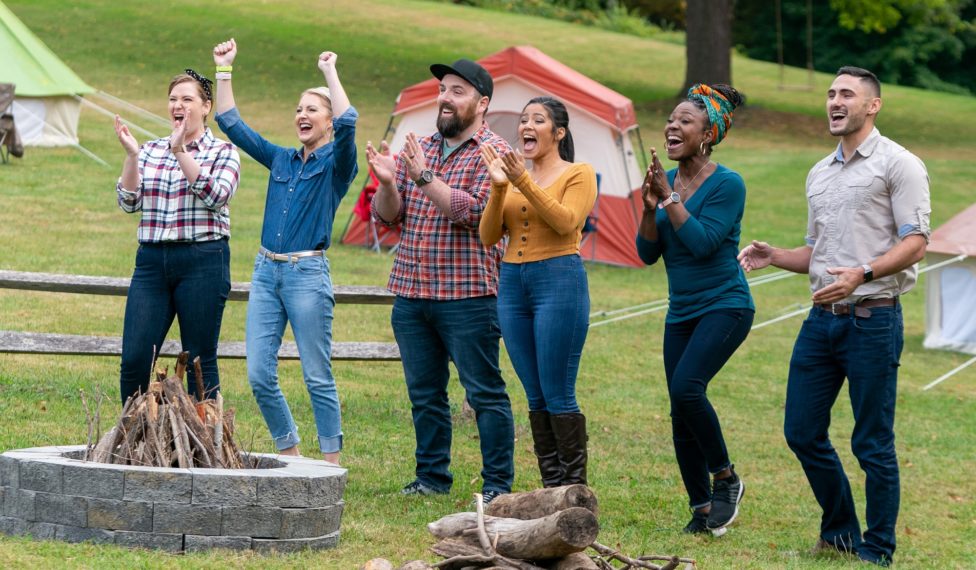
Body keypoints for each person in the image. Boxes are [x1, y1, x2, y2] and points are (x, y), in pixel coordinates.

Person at [738, 66, 929, 566]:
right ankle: (841, 530)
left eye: (847, 94)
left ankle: (878, 548)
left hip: (874, 320)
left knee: (872, 442)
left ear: (873, 105)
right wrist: (775, 255)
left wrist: (862, 273)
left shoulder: (899, 164)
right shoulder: (819, 172)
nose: (834, 101)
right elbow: (817, 251)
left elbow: (916, 243)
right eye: (830, 94)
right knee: (800, 431)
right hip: (821, 321)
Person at [366, 58, 515, 503]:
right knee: (425, 394)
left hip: (469, 296)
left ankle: (497, 487)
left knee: (485, 393)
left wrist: (424, 177)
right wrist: (390, 184)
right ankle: (432, 477)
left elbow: (475, 214)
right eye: (443, 89)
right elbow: (390, 219)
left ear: (482, 103)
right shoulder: (423, 146)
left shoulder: (497, 153)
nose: (445, 98)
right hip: (412, 292)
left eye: (458, 91)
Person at [212, 39, 358, 465]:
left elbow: (351, 120)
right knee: (258, 374)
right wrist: (224, 69)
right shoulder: (281, 159)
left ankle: (330, 466)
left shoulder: (338, 165)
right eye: (298, 109)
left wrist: (330, 71)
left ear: (328, 122)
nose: (301, 115)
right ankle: (290, 453)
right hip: (265, 272)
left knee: (316, 375)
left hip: (307, 276)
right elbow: (230, 122)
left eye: (312, 109)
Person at [636, 83, 754, 536]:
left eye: (685, 120)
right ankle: (702, 508)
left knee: (688, 388)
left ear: (708, 134)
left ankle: (725, 478)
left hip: (725, 305)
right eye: (671, 118)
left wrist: (669, 199)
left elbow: (705, 244)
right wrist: (650, 209)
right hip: (681, 310)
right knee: (679, 409)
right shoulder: (665, 181)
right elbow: (647, 255)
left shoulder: (728, 184)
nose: (671, 125)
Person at [478, 96, 597, 488]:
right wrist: (498, 189)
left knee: (557, 392)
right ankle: (551, 491)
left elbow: (566, 222)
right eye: (524, 119)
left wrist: (521, 180)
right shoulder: (512, 180)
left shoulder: (579, 173)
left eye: (538, 120)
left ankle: (574, 492)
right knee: (534, 395)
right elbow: (488, 236)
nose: (527, 125)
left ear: (558, 133)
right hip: (512, 284)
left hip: (558, 280)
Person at [113, 70, 240, 404]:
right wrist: (131, 156)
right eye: (173, 99)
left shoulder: (222, 152)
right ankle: (135, 441)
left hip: (203, 260)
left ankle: (205, 445)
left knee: (200, 360)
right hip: (153, 262)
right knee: (135, 359)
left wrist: (181, 151)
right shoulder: (151, 150)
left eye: (187, 99)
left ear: (206, 106)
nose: (177, 105)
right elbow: (129, 201)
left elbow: (216, 195)